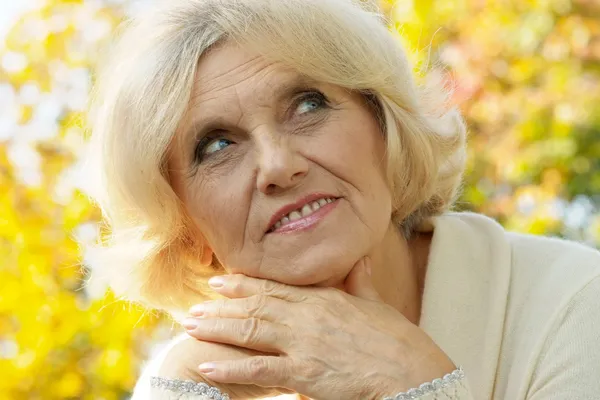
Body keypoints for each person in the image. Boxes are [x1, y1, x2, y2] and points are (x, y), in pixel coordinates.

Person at [82, 0, 600, 399]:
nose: (279, 166)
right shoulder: (190, 378)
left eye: (308, 105)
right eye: (217, 145)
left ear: (385, 126)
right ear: (185, 228)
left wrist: (414, 384)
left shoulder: (573, 306)